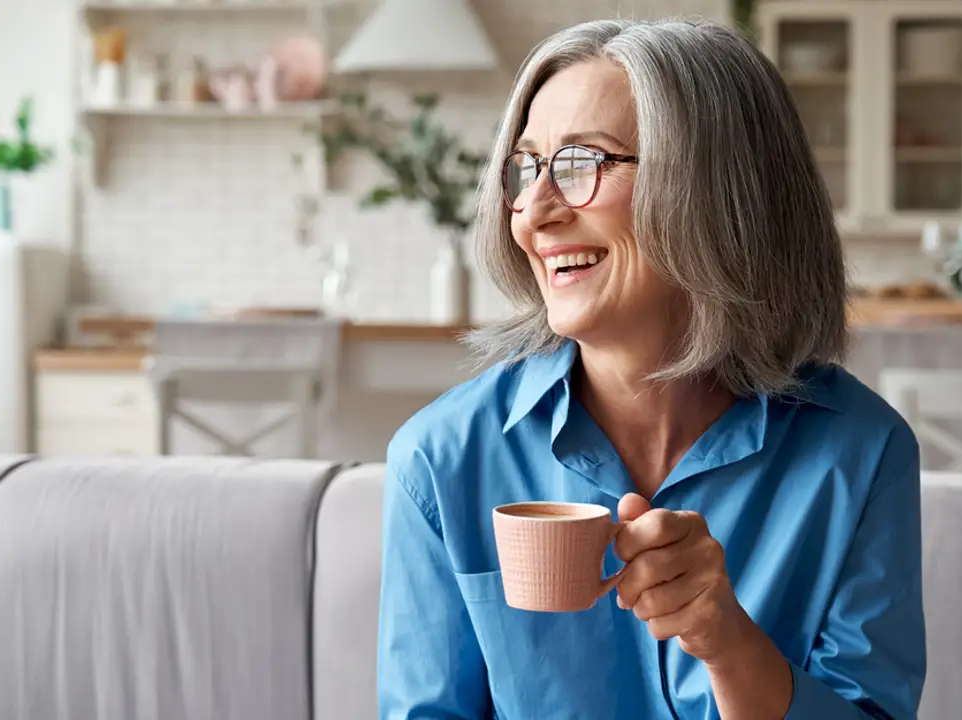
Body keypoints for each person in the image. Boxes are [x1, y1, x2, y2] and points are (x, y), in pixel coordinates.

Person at [378, 17, 925, 720]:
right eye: (526, 168)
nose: (533, 212)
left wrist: (728, 645)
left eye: (581, 163)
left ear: (720, 192)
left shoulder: (860, 454)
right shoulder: (440, 461)